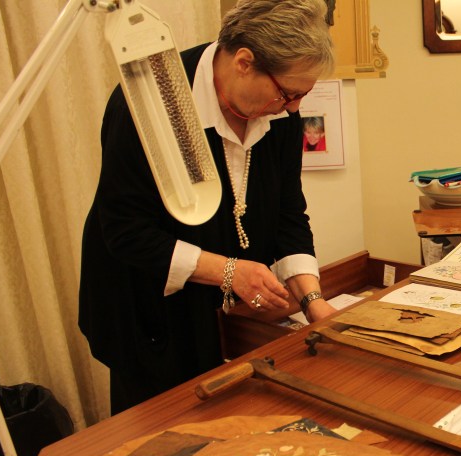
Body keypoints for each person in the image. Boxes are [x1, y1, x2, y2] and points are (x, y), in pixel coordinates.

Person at [79, 0, 338, 415]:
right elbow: (125, 231)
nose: (293, 108)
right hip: (147, 307)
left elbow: (289, 212)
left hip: (222, 307)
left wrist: (312, 300)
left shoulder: (283, 114)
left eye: (301, 95)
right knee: (165, 428)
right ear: (244, 62)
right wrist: (230, 271)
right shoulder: (151, 101)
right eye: (288, 93)